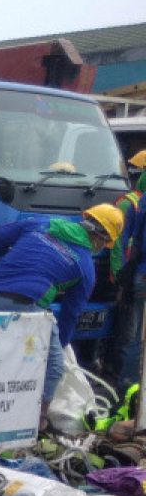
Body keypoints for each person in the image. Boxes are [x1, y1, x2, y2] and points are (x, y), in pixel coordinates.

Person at [0, 204, 123, 424]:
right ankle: (37, 421)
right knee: (53, 367)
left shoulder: (42, 223)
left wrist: (4, 265)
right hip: (23, 305)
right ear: (100, 238)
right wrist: (59, 345)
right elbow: (70, 314)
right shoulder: (84, 266)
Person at [112, 150, 146, 390]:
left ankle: (127, 383)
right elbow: (121, 241)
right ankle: (129, 386)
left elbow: (133, 239)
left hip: (139, 272)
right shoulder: (129, 202)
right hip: (138, 271)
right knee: (135, 335)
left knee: (135, 335)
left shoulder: (140, 201)